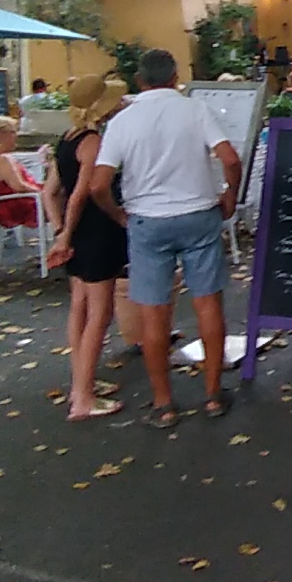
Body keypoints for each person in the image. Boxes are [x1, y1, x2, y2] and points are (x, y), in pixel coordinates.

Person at [90, 48, 243, 427]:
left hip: (147, 221)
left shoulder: (122, 121)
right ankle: (212, 394)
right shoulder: (195, 110)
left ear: (139, 80)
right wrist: (230, 194)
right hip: (198, 215)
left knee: (154, 312)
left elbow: (98, 185)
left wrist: (119, 214)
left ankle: (163, 403)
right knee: (208, 305)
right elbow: (230, 159)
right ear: (175, 77)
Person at [43, 75, 133, 421]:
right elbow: (83, 192)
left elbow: (50, 192)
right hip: (97, 232)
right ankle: (83, 398)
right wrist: (66, 235)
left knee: (79, 308)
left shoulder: (66, 140)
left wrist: (61, 230)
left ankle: (81, 380)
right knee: (100, 313)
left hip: (77, 232)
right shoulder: (93, 141)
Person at [0, 116, 44, 230]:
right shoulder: (3, 159)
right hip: (18, 207)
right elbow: (19, 186)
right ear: (1, 135)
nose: (16, 136)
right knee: (65, 201)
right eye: (13, 132)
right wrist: (42, 192)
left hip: (3, 206)